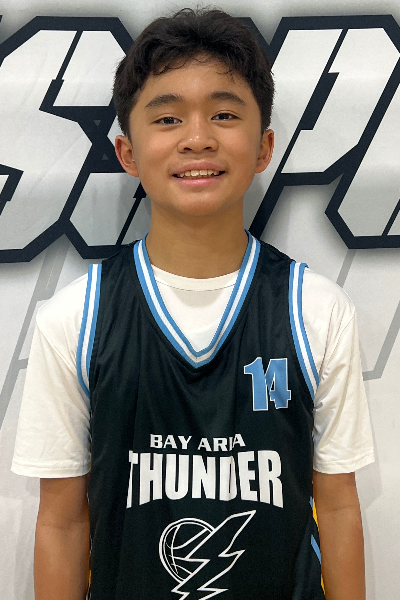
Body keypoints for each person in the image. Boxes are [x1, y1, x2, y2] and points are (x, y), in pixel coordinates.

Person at [11, 7, 374, 600]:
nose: (198, 137)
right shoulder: (74, 319)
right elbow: (62, 521)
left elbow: (336, 505)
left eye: (224, 114)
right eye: (168, 118)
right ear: (128, 153)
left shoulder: (316, 309)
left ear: (264, 147)